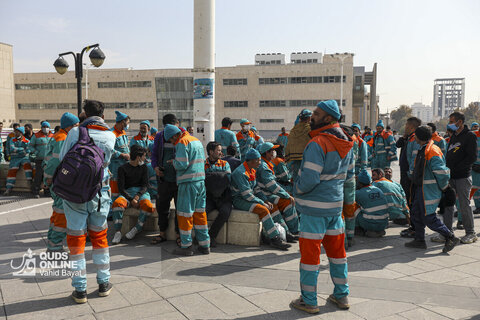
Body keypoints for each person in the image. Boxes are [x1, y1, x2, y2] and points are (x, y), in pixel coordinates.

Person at [291, 100, 353, 313]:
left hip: (313, 211)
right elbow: (349, 178)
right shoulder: (348, 143)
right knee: (338, 255)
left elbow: (309, 179)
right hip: (334, 209)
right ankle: (341, 296)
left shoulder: (317, 143)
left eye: (316, 114)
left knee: (310, 258)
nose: (312, 118)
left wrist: (296, 190)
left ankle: (308, 301)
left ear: (328, 118)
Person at [59, 100, 116, 304]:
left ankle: (80, 290)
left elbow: (63, 158)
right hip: (101, 194)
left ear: (85, 113)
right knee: (100, 238)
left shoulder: (75, 132)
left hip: (74, 194)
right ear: (102, 114)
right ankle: (103, 283)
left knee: (76, 241)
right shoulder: (111, 135)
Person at [404, 125, 459, 252]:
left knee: (428, 217)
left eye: (416, 135)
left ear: (420, 137)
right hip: (421, 189)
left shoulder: (432, 151)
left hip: (428, 190)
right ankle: (419, 240)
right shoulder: (424, 148)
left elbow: (442, 172)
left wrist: (445, 188)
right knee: (416, 214)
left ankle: (450, 236)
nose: (414, 137)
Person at [231, 148, 291, 250]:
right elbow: (247, 195)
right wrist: (262, 203)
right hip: (239, 200)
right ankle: (275, 239)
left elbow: (256, 188)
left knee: (272, 206)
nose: (260, 162)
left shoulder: (252, 169)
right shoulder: (240, 173)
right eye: (258, 160)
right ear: (251, 160)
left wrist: (265, 200)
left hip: (248, 197)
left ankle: (286, 232)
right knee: (263, 210)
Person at [164, 124, 210, 256]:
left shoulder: (182, 142)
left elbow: (182, 164)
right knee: (200, 214)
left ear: (174, 136)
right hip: (200, 182)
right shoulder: (195, 140)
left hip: (188, 183)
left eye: (171, 140)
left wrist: (173, 162)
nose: (172, 143)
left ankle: (186, 246)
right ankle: (205, 245)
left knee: (185, 215)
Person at [43, 113, 80, 252]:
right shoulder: (62, 139)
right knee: (61, 213)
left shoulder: (58, 136)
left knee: (56, 213)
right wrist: (49, 178)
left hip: (57, 180)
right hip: (59, 181)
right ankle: (55, 246)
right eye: (76, 126)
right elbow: (55, 162)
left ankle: (52, 243)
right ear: (69, 126)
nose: (77, 128)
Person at [443, 112, 478, 244]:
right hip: (450, 176)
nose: (450, 123)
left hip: (462, 176)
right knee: (448, 204)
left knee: (464, 205)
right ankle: (446, 232)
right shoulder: (453, 136)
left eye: (452, 121)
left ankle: (470, 233)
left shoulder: (470, 136)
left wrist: (457, 167)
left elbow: (472, 157)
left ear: (460, 122)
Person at [111, 145, 155, 244]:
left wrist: (137, 196)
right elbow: (121, 188)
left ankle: (136, 228)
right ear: (138, 157)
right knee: (117, 204)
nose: (145, 158)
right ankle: (118, 232)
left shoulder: (144, 167)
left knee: (148, 206)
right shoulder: (122, 169)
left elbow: (145, 185)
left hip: (142, 193)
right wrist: (131, 199)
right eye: (144, 156)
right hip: (127, 193)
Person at [256, 142, 299, 241]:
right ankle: (288, 232)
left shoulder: (266, 164)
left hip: (268, 194)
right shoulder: (264, 166)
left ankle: (292, 231)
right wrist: (286, 195)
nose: (274, 153)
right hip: (265, 195)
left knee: (287, 202)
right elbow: (271, 185)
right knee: (285, 202)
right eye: (272, 151)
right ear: (266, 153)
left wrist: (285, 194)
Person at [150, 114, 181, 245]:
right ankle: (162, 233)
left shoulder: (183, 135)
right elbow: (155, 154)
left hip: (179, 179)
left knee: (180, 208)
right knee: (162, 207)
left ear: (177, 124)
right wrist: (156, 167)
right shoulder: (159, 136)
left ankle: (180, 235)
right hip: (164, 179)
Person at [396, 117, 421, 237]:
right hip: (405, 174)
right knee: (408, 199)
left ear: (411, 127)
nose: (404, 127)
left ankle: (415, 228)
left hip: (409, 176)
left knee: (411, 201)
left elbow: (414, 159)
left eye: (406, 125)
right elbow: (398, 145)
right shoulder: (409, 138)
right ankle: (412, 226)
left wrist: (410, 174)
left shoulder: (415, 139)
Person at [204, 142, 232, 247]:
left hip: (224, 197)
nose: (221, 153)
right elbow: (203, 179)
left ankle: (211, 236)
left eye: (220, 150)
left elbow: (228, 178)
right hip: (209, 197)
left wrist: (210, 177)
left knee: (225, 212)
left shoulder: (225, 164)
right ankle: (202, 236)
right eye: (218, 150)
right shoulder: (203, 164)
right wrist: (219, 176)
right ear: (211, 152)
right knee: (202, 212)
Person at [354, 170, 389, 237]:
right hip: (384, 224)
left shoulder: (358, 193)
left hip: (371, 225)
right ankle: (378, 229)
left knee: (352, 205)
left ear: (360, 183)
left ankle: (357, 228)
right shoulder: (378, 189)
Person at [285, 109, 312, 183]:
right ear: (309, 118)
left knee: (297, 179)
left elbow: (289, 144)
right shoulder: (310, 129)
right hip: (307, 159)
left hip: (295, 160)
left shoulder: (293, 130)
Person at [3, 127, 32, 196]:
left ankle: (30, 183)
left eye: (17, 132)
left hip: (24, 158)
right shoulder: (12, 140)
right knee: (12, 171)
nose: (15, 133)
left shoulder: (27, 141)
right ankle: (8, 188)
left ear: (21, 133)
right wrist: (22, 149)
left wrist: (18, 150)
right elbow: (12, 149)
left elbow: (28, 150)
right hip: (14, 159)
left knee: (27, 166)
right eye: (15, 132)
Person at [28, 121, 54, 198]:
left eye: (47, 127)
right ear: (41, 128)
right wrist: (36, 152)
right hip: (40, 159)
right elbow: (30, 146)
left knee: (48, 175)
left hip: (49, 160)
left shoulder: (52, 136)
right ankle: (35, 191)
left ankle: (47, 191)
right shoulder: (36, 136)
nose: (45, 128)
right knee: (38, 175)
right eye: (44, 127)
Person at [109, 111, 130, 201]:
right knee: (115, 192)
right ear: (122, 122)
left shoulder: (123, 132)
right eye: (127, 123)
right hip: (115, 168)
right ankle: (112, 211)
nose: (128, 125)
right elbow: (109, 150)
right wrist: (122, 155)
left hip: (124, 167)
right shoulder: (111, 134)